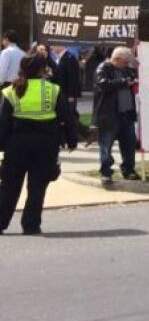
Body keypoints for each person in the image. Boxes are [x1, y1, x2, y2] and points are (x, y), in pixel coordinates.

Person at [0, 53, 79, 234]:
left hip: (17, 145)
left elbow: (3, 122)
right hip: (45, 145)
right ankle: (31, 225)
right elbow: (66, 118)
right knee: (37, 187)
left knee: (9, 186)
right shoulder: (53, 89)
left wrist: (2, 145)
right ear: (43, 69)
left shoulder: (10, 91)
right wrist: (72, 140)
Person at [93, 46, 140, 182]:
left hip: (126, 113)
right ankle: (106, 172)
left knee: (129, 145)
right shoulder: (103, 68)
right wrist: (123, 82)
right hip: (110, 115)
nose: (127, 65)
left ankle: (128, 169)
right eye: (125, 62)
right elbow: (103, 84)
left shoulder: (126, 69)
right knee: (106, 146)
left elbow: (133, 76)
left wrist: (132, 76)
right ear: (117, 59)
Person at [51, 46, 83, 141]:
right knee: (68, 116)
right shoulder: (60, 58)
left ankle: (86, 133)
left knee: (69, 117)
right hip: (61, 92)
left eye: (54, 45)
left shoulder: (69, 58)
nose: (52, 48)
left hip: (67, 93)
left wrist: (71, 95)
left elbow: (72, 78)